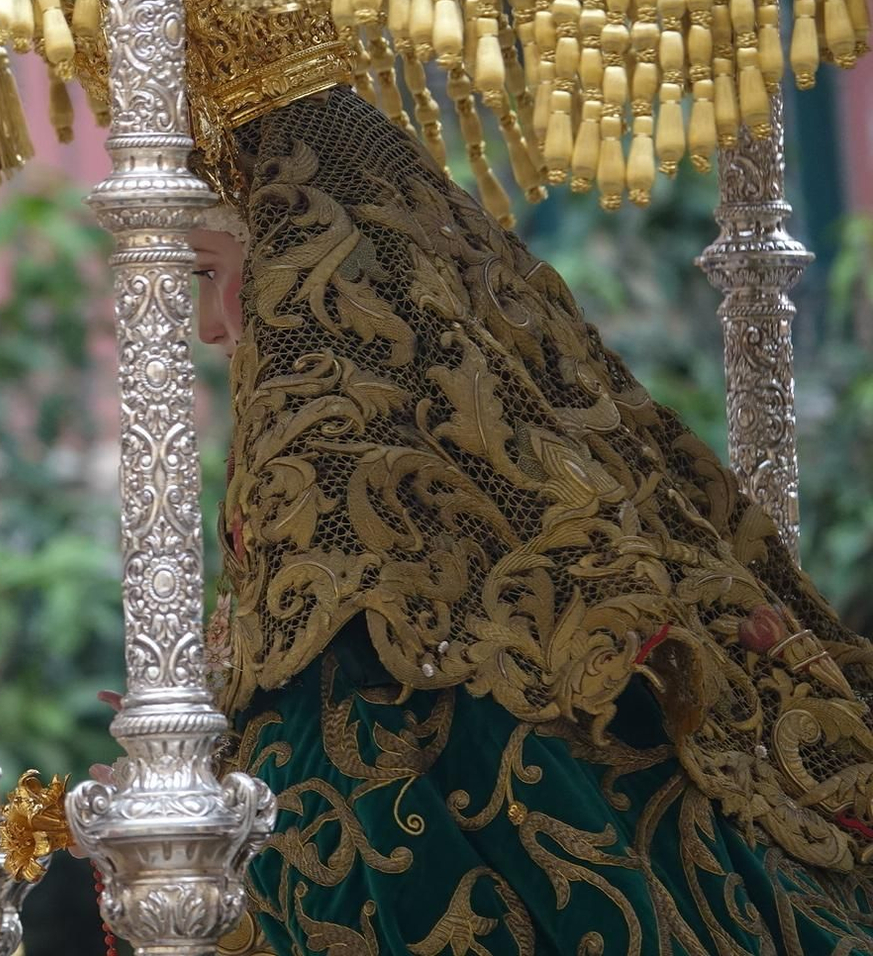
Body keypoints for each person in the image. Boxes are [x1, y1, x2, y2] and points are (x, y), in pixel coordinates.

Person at [189, 87, 873, 954]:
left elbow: (328, 882)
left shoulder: (352, 591)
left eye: (210, 273)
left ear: (301, 264)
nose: (212, 326)